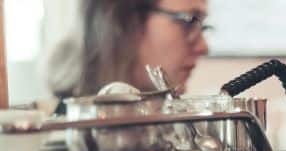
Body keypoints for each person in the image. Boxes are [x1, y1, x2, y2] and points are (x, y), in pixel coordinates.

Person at [77, 0, 211, 95]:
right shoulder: (62, 131)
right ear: (124, 20)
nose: (203, 47)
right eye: (188, 22)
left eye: (202, 27)